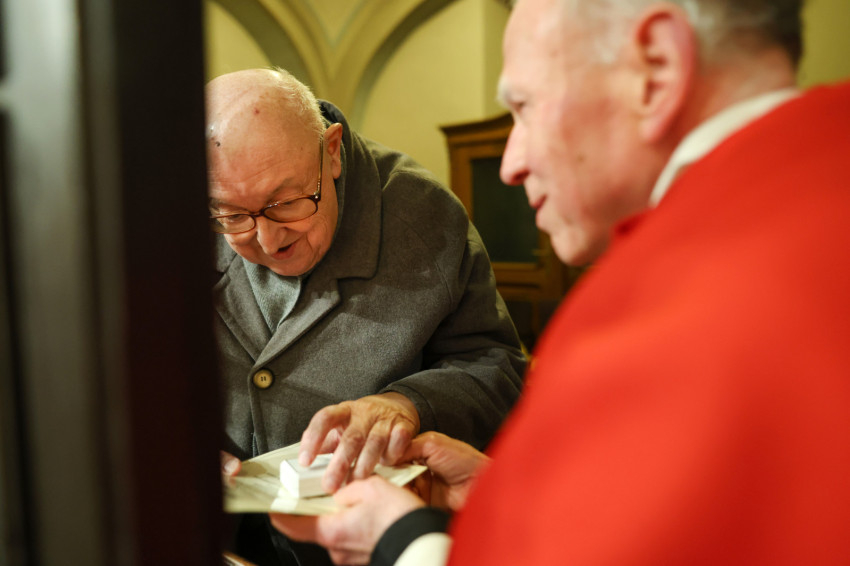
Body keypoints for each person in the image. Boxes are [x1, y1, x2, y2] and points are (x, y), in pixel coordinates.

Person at [270, 0, 850, 564]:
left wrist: (404, 542)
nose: (510, 164)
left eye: (523, 107)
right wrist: (505, 493)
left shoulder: (674, 307)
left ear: (657, 69)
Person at [206, 68, 527, 565]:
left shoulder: (424, 217)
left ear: (332, 152)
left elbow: (496, 366)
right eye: (233, 216)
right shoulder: (173, 212)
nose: (267, 242)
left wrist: (408, 404)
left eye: (286, 203)